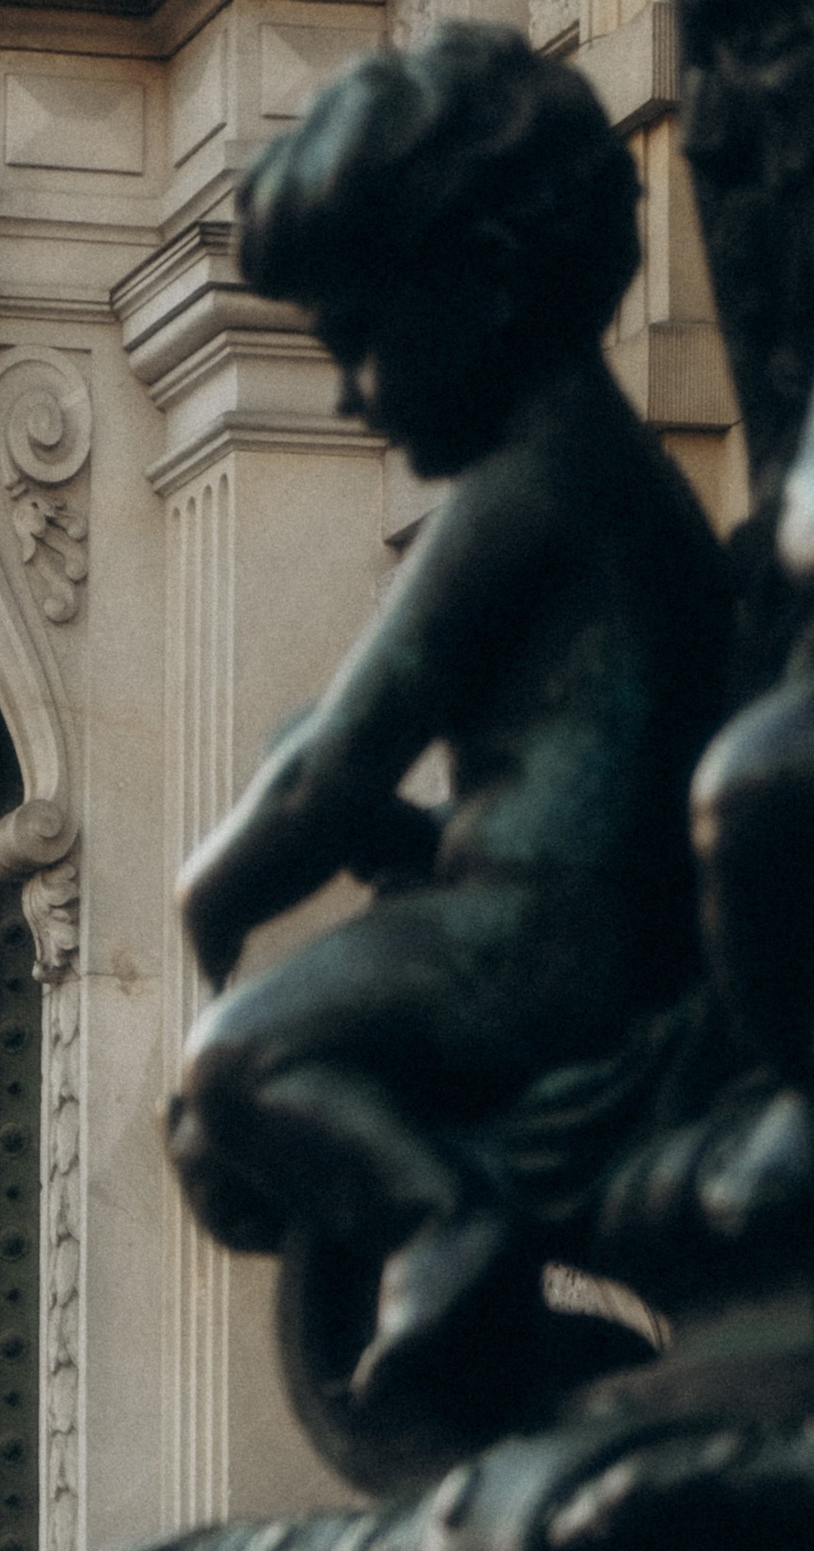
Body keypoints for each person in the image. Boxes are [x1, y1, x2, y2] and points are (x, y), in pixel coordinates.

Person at [164, 24, 732, 1418]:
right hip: (570, 920)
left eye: (359, 336)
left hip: (548, 949)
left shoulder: (524, 492)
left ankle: (446, 1226)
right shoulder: (610, 482)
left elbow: (324, 768)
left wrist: (213, 885)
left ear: (480, 286)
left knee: (238, 1062)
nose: (351, 390)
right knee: (217, 1129)